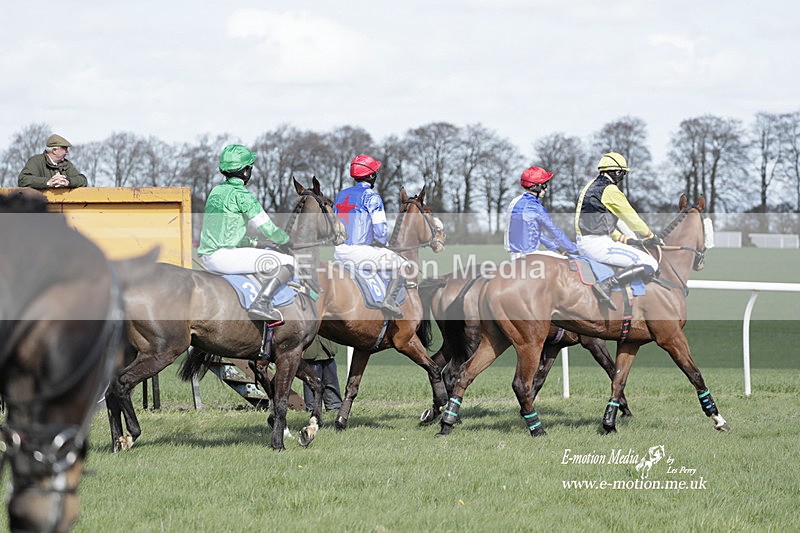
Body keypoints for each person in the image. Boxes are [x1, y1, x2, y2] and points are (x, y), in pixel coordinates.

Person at [197, 144, 295, 324]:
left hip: (208, 257)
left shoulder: (216, 191)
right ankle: (261, 304)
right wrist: (286, 240)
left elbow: (228, 234)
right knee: (289, 262)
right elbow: (268, 229)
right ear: (245, 172)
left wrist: (257, 243)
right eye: (249, 168)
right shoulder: (242, 195)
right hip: (224, 257)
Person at [575, 152, 661, 310]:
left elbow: (602, 224)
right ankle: (607, 284)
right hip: (598, 245)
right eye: (623, 173)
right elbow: (631, 217)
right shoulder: (610, 190)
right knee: (651, 263)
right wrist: (651, 236)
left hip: (585, 241)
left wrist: (628, 240)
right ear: (617, 172)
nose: (622, 177)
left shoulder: (590, 186)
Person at [333, 154, 410, 318]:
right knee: (403, 264)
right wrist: (381, 242)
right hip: (359, 252)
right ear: (372, 175)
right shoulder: (372, 197)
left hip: (339, 252)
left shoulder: (341, 194)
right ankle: (389, 301)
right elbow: (381, 233)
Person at [505, 166, 578, 260]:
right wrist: (574, 249)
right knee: (568, 261)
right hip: (530, 255)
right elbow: (554, 231)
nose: (546, 189)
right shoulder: (536, 207)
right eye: (544, 185)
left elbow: (536, 233)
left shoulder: (514, 202)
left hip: (514, 256)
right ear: (536, 186)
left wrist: (556, 247)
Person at [18, 134, 88, 189]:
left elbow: (83, 180)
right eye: (65, 149)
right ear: (54, 150)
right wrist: (48, 182)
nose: (67, 153)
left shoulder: (66, 164)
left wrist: (67, 181)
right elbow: (23, 180)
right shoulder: (36, 161)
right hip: (40, 202)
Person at [302, 337, 343, 412]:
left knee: (331, 379)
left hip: (327, 348)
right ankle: (313, 408)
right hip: (310, 349)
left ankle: (334, 406)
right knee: (312, 382)